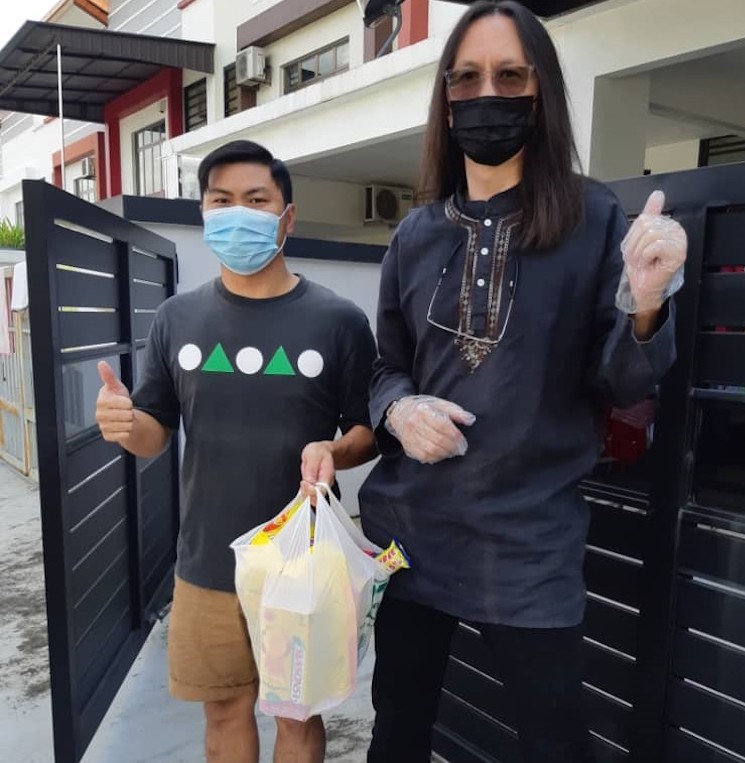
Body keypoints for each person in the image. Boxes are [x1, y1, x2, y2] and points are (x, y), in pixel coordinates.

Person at [358, 2, 687, 762]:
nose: (487, 94)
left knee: (555, 741)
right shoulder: (416, 234)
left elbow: (623, 379)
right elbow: (384, 364)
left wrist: (644, 305)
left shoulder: (594, 218)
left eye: (511, 76)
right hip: (412, 535)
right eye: (467, 77)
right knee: (397, 729)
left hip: (529, 542)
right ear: (446, 96)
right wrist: (399, 408)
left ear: (542, 95)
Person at [94, 140, 377, 763]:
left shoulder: (339, 320)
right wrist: (122, 423)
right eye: (221, 201)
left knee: (297, 718)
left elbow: (368, 431)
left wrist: (332, 448)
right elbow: (154, 431)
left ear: (287, 217)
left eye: (256, 200)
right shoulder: (176, 319)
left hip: (304, 562)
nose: (237, 213)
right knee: (223, 710)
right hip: (206, 562)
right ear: (204, 213)